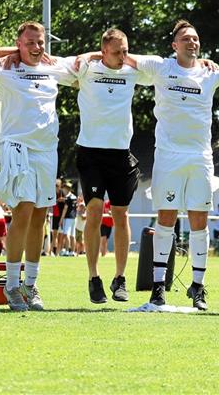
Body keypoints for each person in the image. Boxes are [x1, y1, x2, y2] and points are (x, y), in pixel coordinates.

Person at [128, 19, 219, 310]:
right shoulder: (160, 67)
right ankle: (158, 288)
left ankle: (198, 287)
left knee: (199, 221)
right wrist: (95, 55)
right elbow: (121, 55)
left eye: (195, 38)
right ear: (174, 45)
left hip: (200, 158)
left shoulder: (211, 71)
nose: (192, 42)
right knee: (165, 220)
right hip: (168, 157)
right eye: (185, 39)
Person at [0, 21, 78, 311]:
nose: (37, 48)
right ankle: (12, 286)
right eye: (30, 43)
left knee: (41, 215)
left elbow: (86, 64)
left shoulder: (53, 68)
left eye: (40, 42)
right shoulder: (5, 67)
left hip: (47, 150)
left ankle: (31, 285)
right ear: (18, 43)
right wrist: (11, 50)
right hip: (18, 147)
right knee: (23, 210)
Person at [71, 29, 150, 303]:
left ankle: (120, 278)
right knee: (93, 211)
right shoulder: (87, 69)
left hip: (121, 155)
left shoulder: (132, 71)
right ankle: (94, 277)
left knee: (121, 215)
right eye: (116, 52)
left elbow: (159, 66)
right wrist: (92, 55)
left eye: (125, 51)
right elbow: (68, 63)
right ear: (103, 51)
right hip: (91, 153)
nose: (122, 56)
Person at [57, 182, 77, 257]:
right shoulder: (74, 197)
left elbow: (65, 209)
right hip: (74, 218)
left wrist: (61, 220)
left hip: (68, 218)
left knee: (66, 234)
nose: (63, 190)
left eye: (64, 188)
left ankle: (67, 251)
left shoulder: (68, 198)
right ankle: (72, 251)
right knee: (72, 235)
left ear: (67, 189)